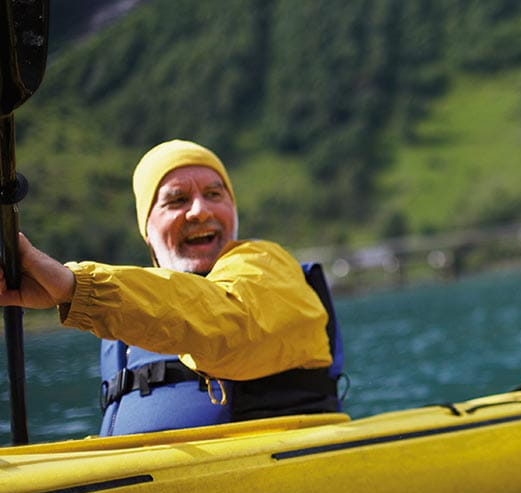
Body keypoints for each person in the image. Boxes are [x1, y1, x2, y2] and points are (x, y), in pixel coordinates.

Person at [0, 139, 341, 436]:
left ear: (232, 210)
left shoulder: (268, 267)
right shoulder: (122, 317)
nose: (199, 210)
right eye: (176, 200)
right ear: (146, 228)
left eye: (214, 194)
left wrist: (76, 289)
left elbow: (224, 318)